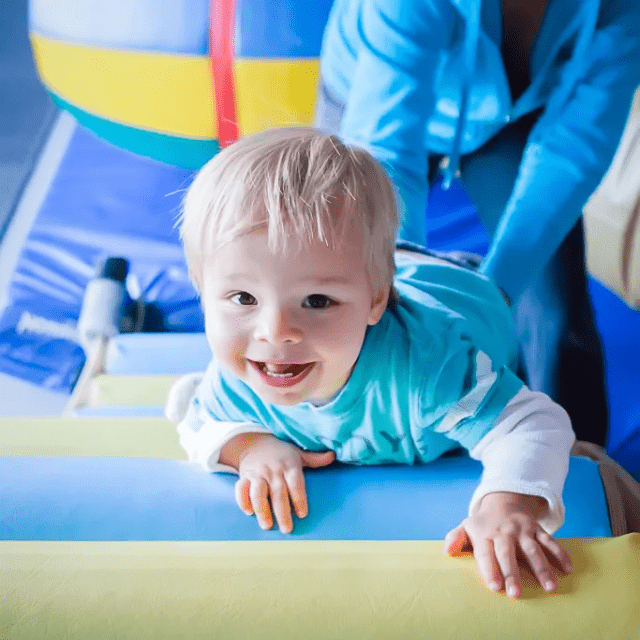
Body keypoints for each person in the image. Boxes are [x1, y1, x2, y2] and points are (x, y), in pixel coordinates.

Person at [173, 127, 575, 599]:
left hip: (462, 295)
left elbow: (534, 422)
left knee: (518, 261)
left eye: (317, 301)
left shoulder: (427, 371)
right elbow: (194, 419)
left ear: (375, 302)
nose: (275, 330)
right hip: (373, 273)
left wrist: (507, 505)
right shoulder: (236, 378)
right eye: (243, 297)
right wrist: (249, 447)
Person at [315, 0, 640, 447]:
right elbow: (386, 150)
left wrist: (491, 295)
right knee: (353, 292)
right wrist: (409, 292)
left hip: (507, 115)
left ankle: (578, 471)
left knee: (556, 314)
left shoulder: (621, 10)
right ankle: (345, 443)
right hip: (372, 101)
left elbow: (574, 150)